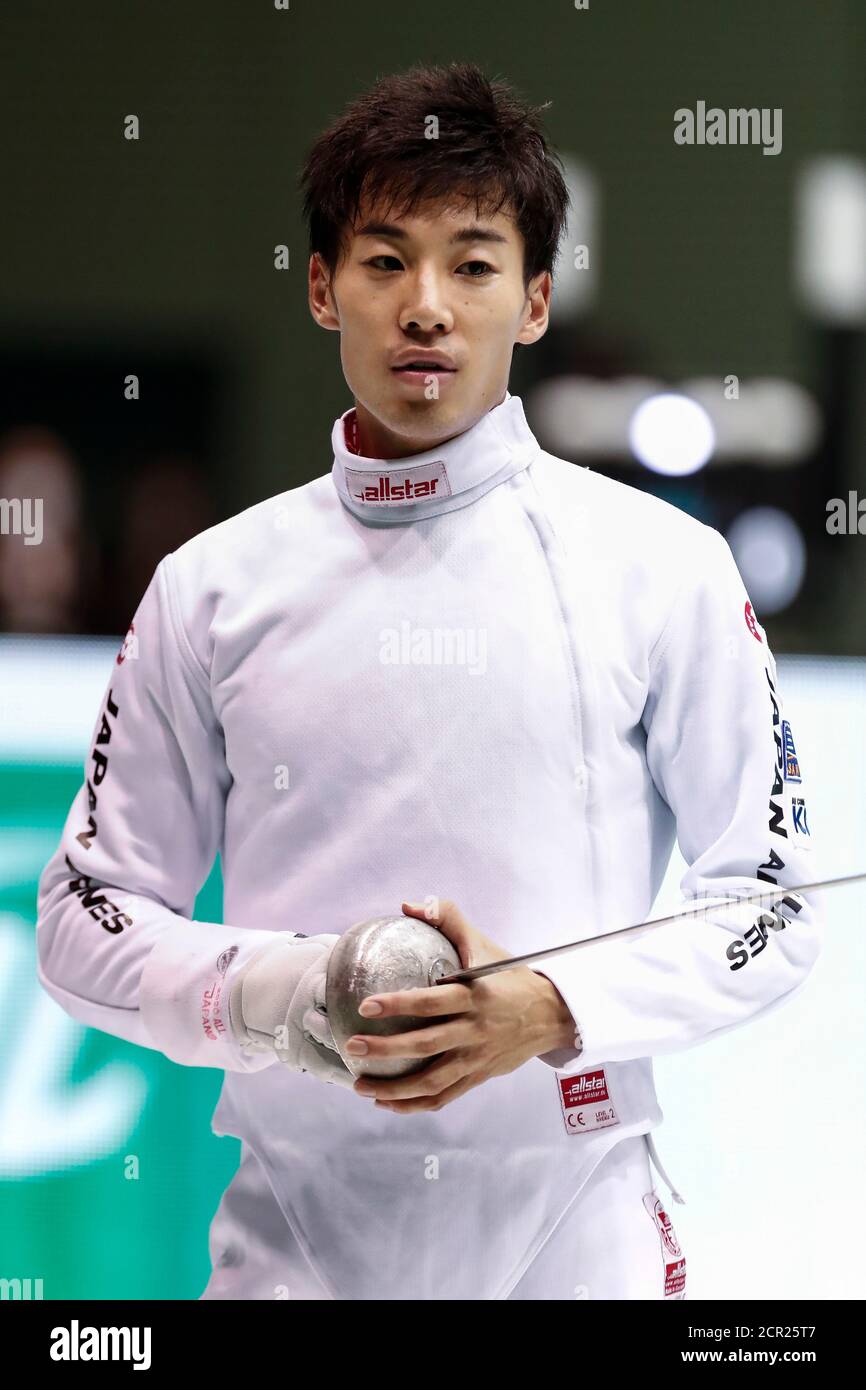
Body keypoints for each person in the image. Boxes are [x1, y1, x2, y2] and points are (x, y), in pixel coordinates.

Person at [36, 61, 821, 1301]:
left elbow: (770, 902)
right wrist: (286, 994)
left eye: (471, 263)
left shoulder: (661, 567)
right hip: (292, 1235)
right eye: (384, 259)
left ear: (534, 300)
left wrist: (549, 1005)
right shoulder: (210, 586)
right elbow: (86, 915)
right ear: (318, 286)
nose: (425, 307)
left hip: (576, 1227)